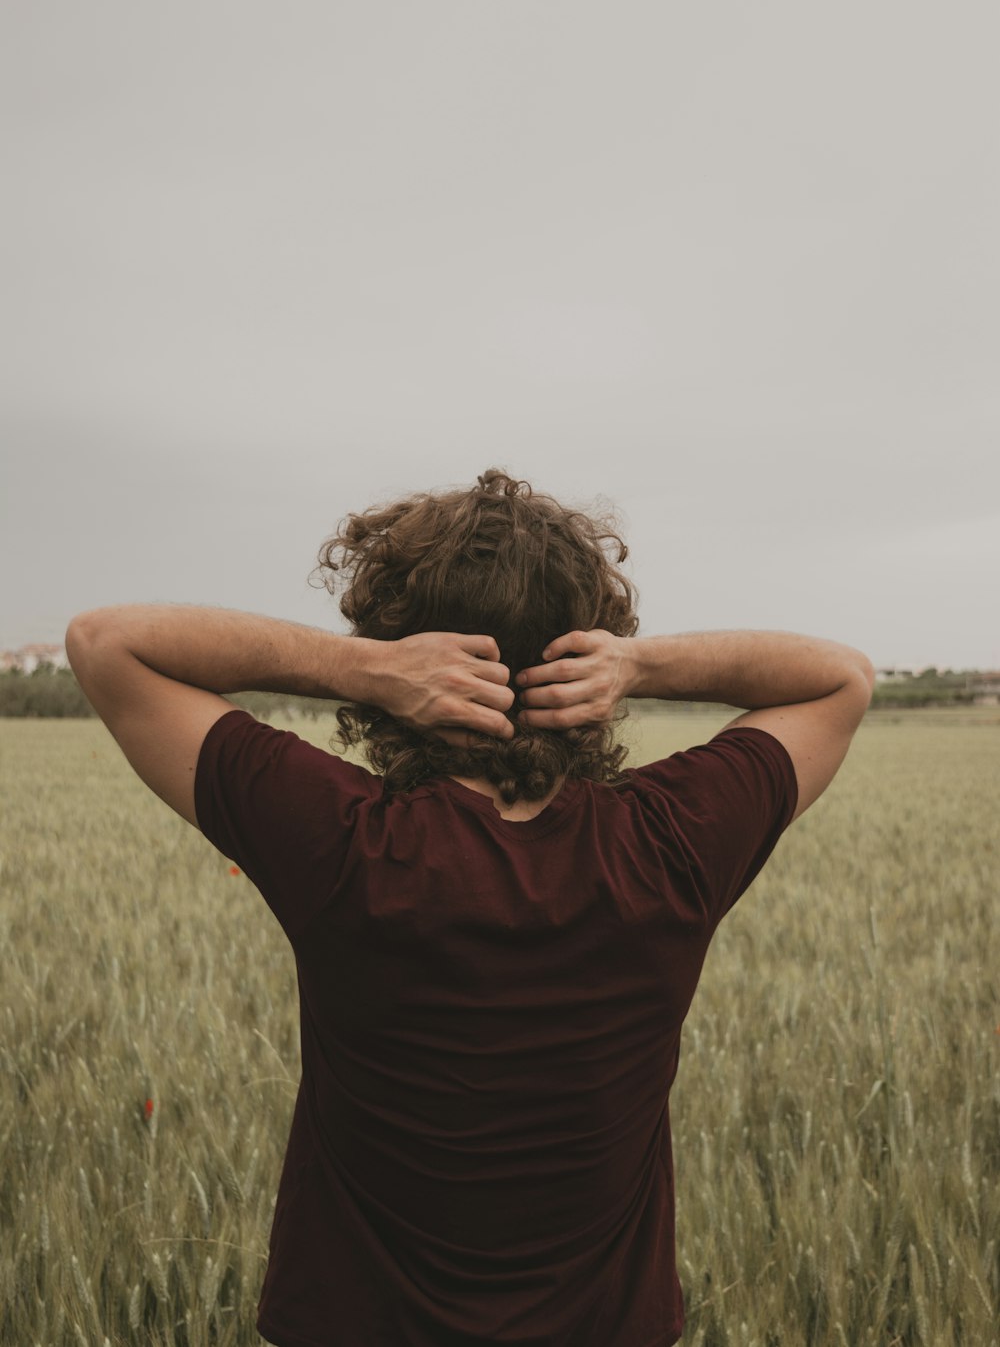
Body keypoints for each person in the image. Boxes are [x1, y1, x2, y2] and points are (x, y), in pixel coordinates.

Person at [66, 469, 874, 1347]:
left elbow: (106, 644)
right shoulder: (670, 844)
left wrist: (361, 668)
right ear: (585, 654)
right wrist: (639, 663)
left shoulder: (342, 844)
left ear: (405, 651)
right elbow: (841, 679)